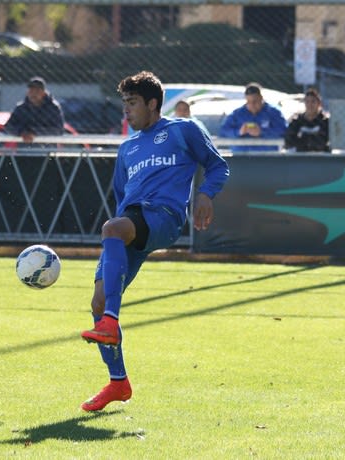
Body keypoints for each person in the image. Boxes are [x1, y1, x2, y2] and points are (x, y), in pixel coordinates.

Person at [79, 71, 229, 412]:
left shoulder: (183, 130)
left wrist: (205, 193)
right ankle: (118, 383)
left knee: (112, 229)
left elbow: (217, 166)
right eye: (124, 104)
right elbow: (121, 197)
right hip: (132, 222)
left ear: (152, 103)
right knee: (97, 303)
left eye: (132, 104)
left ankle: (112, 322)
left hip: (164, 217)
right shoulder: (127, 148)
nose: (126, 112)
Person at [218, 82, 287, 152]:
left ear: (261, 98)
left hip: (267, 157)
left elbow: (283, 131)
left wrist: (261, 132)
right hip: (241, 157)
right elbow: (223, 131)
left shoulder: (273, 112)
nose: (252, 105)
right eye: (248, 101)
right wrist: (239, 132)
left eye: (255, 101)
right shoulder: (237, 114)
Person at [4, 76, 64, 143]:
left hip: (47, 148)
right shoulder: (21, 108)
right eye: (31, 90)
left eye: (37, 91)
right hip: (23, 149)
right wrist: (22, 133)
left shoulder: (53, 107)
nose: (34, 94)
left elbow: (58, 130)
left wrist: (34, 133)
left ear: (44, 93)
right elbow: (8, 128)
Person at [284, 87, 330, 152]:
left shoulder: (325, 121)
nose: (310, 105)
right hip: (301, 156)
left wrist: (304, 139)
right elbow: (289, 141)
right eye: (307, 101)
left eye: (313, 101)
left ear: (319, 104)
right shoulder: (297, 121)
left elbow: (325, 141)